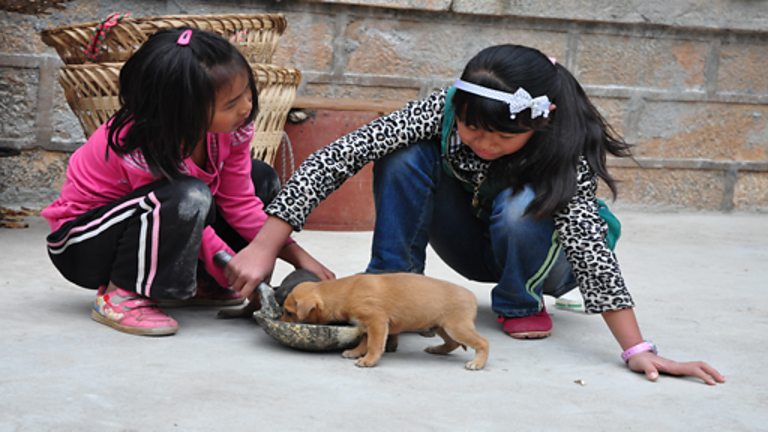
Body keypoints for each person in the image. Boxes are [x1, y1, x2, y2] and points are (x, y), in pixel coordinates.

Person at [226, 44, 724, 385]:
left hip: (546, 256)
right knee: (401, 154)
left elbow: (591, 253)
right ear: (456, 107)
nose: (482, 144)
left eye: (501, 138)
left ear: (538, 125)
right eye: (469, 129)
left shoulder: (563, 151)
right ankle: (391, 290)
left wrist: (638, 350)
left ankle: (518, 301)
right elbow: (339, 155)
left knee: (522, 203)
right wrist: (267, 242)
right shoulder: (439, 113)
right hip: (474, 242)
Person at [42, 27, 332, 337]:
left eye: (247, 91)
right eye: (231, 104)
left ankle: (203, 284)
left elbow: (241, 203)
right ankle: (122, 293)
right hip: (84, 245)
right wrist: (232, 267)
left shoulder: (231, 131)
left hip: (164, 223)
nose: (247, 107)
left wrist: (297, 255)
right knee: (188, 195)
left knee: (259, 175)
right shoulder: (140, 144)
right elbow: (182, 213)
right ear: (182, 112)